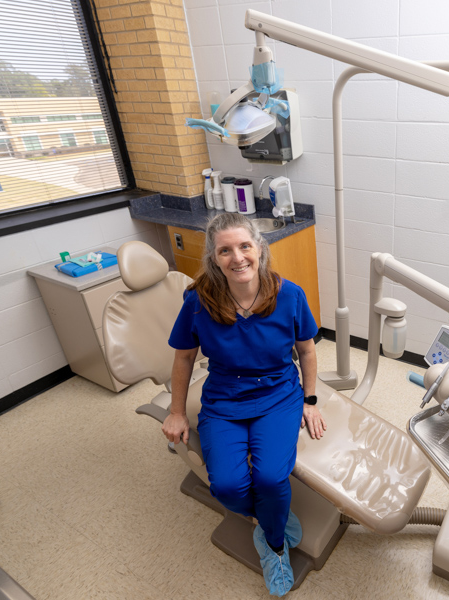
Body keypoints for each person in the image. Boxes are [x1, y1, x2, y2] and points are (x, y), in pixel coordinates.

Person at [162, 212, 326, 597]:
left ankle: (273, 545)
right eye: (225, 250)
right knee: (228, 487)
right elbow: (184, 357)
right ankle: (272, 519)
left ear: (259, 249)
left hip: (277, 395)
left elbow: (306, 351)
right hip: (223, 398)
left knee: (271, 476)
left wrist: (311, 400)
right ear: (213, 257)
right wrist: (175, 410)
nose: (237, 258)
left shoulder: (290, 295)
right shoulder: (199, 301)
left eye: (244, 246)